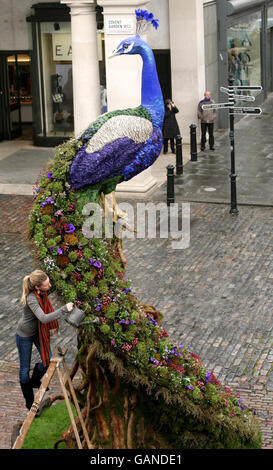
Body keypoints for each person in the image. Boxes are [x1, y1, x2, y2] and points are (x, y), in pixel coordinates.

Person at [16, 269, 74, 411]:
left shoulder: (42, 292)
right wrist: (64, 309)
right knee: (24, 369)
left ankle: (35, 381)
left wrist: (67, 274)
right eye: (47, 284)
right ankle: (29, 403)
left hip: (37, 332)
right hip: (24, 334)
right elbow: (44, 318)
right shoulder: (32, 298)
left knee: (47, 360)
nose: (49, 286)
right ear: (38, 287)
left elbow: (53, 287)